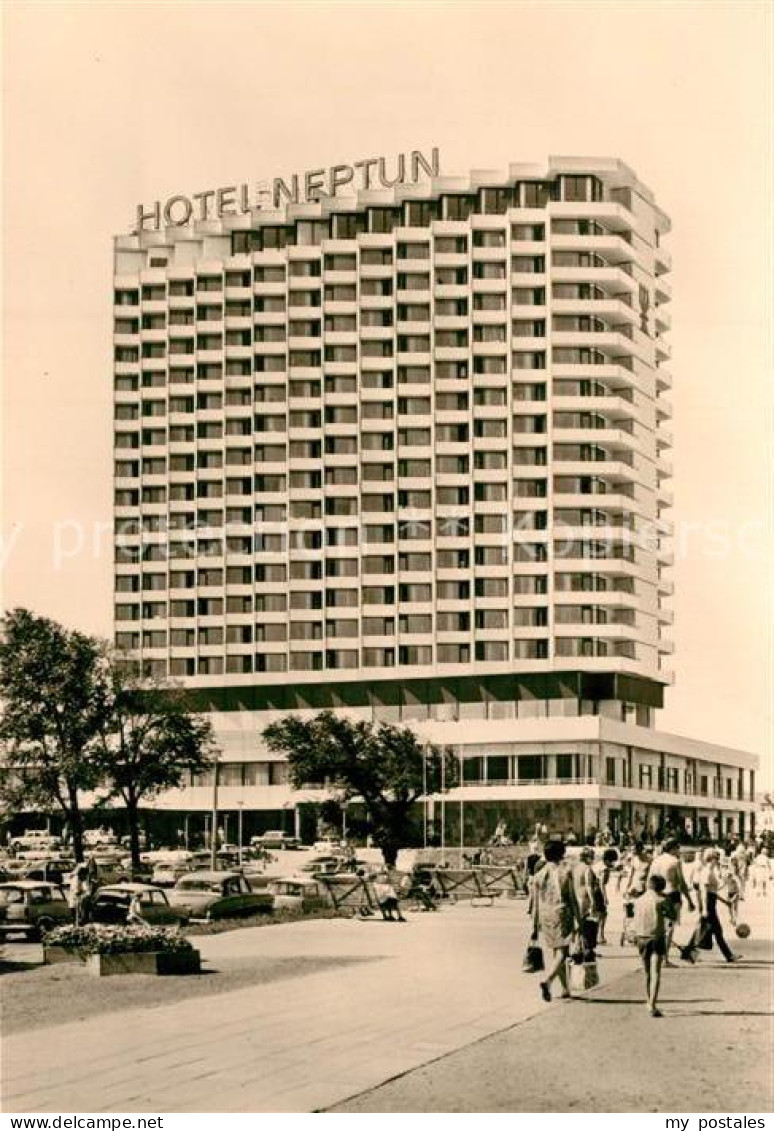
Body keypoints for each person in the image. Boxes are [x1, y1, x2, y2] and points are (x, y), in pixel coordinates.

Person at [531, 839, 581, 1002]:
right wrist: (578, 919)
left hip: (546, 915)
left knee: (556, 951)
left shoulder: (539, 875)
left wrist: (534, 924)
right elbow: (572, 898)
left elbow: (535, 902)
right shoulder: (565, 872)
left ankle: (565, 988)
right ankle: (548, 980)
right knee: (563, 951)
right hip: (562, 912)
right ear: (561, 854)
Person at [648, 837, 695, 964]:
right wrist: (690, 900)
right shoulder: (675, 861)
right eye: (678, 848)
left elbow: (649, 880)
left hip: (656, 895)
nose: (679, 851)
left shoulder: (656, 860)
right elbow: (681, 882)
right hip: (671, 895)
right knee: (669, 928)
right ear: (673, 848)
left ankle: (654, 955)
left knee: (658, 927)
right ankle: (664, 959)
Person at [696, 849, 741, 962]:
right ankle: (729, 956)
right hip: (708, 904)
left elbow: (713, 892)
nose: (718, 861)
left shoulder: (711, 871)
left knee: (707, 930)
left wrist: (724, 901)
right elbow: (704, 891)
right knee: (713, 930)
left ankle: (690, 954)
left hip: (711, 902)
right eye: (717, 858)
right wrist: (705, 909)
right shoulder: (707, 872)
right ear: (712, 859)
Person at [634, 873, 669, 1016]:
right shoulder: (661, 900)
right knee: (656, 973)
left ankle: (648, 999)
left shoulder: (639, 900)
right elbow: (672, 915)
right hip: (656, 937)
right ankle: (652, 1005)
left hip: (641, 937)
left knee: (647, 972)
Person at [572, 845, 605, 958]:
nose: (593, 859)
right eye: (591, 856)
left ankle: (578, 948)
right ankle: (585, 949)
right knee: (587, 925)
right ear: (587, 857)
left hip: (576, 898)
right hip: (584, 899)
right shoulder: (587, 869)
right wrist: (593, 901)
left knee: (578, 925)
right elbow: (589, 886)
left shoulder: (575, 868)